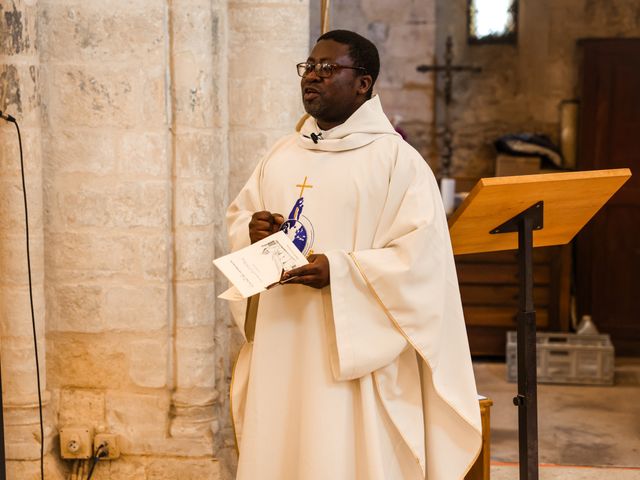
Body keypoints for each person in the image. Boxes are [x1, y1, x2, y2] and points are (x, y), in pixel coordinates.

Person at [226, 29, 481, 480]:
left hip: (352, 353)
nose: (313, 78)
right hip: (282, 340)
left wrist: (342, 272)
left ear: (363, 83)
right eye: (309, 68)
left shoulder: (397, 162)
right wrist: (252, 232)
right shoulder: (280, 155)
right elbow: (242, 217)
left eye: (328, 69)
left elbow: (422, 261)